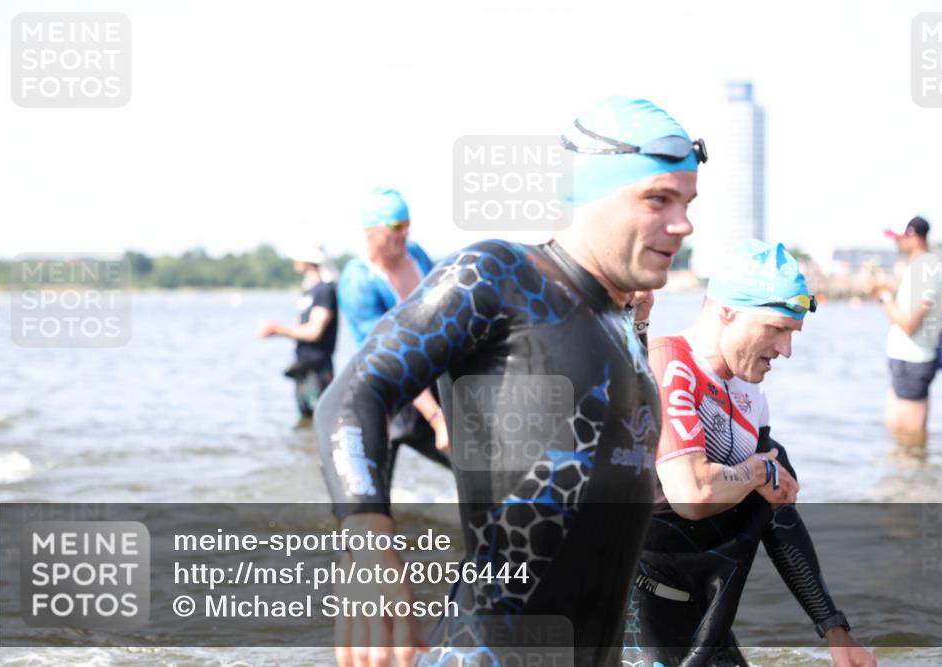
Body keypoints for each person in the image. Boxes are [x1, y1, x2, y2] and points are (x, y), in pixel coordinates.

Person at [314, 96, 705, 667]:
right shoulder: (498, 276)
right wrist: (369, 544)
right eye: (657, 199)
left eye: (687, 202)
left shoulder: (622, 326)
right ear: (589, 193)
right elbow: (354, 395)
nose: (684, 223)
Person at [623, 240, 876, 667]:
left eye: (791, 334)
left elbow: (778, 515)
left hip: (703, 615)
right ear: (727, 311)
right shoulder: (669, 364)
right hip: (633, 614)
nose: (786, 349)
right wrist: (759, 469)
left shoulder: (749, 395)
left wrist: (835, 631)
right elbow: (693, 494)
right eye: (777, 328)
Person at [336, 186, 452, 463]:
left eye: (408, 224)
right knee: (376, 482)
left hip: (428, 373)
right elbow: (391, 354)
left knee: (467, 464)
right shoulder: (358, 282)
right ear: (370, 230)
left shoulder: (417, 255)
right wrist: (436, 417)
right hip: (386, 386)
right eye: (396, 226)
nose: (404, 233)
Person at [867, 216, 942, 447]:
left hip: (915, 360)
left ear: (913, 236)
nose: (896, 243)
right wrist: (881, 290)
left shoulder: (926, 269)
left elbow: (910, 324)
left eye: (899, 238)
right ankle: (908, 480)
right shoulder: (918, 267)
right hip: (905, 359)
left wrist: (882, 295)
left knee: (911, 440)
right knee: (897, 436)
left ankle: (916, 481)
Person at [259, 246, 338, 424]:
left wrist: (279, 330)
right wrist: (280, 330)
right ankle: (303, 451)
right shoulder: (308, 291)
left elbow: (314, 332)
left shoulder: (325, 290)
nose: (294, 261)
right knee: (305, 421)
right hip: (302, 365)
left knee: (322, 420)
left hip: (318, 368)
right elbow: (300, 327)